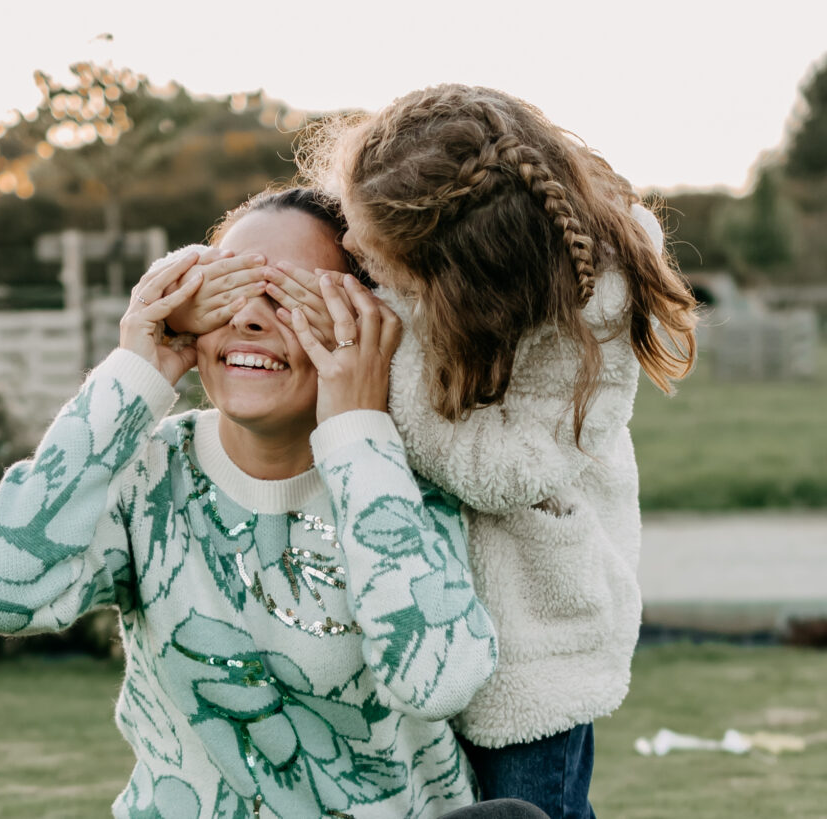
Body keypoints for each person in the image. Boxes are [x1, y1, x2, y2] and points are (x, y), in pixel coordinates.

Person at [0, 187, 504, 819]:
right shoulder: (148, 477)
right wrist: (134, 371)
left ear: (367, 322)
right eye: (226, 290)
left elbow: (439, 680)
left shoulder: (403, 485)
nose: (249, 320)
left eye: (291, 297)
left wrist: (358, 430)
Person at [264, 85, 699, 817]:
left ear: (459, 275)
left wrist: (377, 372)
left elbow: (507, 472)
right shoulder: (392, 213)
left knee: (528, 808)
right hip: (421, 598)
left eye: (376, 256)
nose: (358, 257)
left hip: (530, 626)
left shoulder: (591, 315)